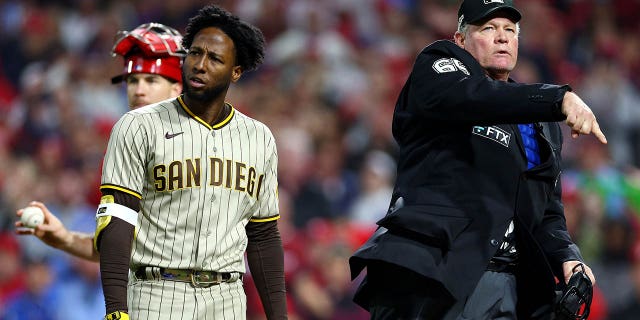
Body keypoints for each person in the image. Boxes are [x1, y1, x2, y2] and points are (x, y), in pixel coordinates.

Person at [349, 0, 605, 319]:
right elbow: (475, 97)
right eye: (488, 28)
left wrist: (568, 256)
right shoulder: (438, 67)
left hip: (506, 286)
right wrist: (558, 97)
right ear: (461, 40)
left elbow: (547, 211)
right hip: (433, 271)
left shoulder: (538, 124)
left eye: (510, 30)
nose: (502, 37)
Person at [95, 5, 286, 320]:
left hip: (226, 298)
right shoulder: (138, 125)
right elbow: (117, 219)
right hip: (155, 291)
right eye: (195, 53)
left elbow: (263, 234)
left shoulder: (259, 138)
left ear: (236, 72)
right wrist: (116, 310)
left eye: (214, 59)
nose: (200, 65)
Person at [14, 22, 185, 262]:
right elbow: (115, 247)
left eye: (151, 80)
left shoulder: (204, 150)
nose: (139, 90)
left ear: (175, 90)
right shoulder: (126, 160)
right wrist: (65, 238)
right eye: (133, 80)